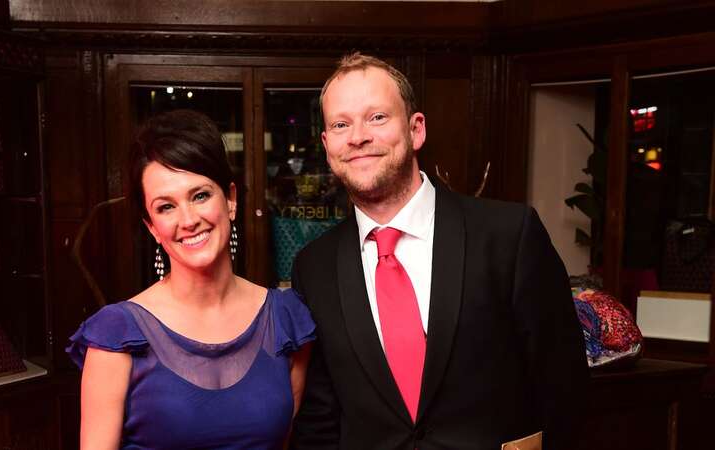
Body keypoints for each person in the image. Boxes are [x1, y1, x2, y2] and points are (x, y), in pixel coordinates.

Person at [290, 53, 588, 450]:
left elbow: (564, 391)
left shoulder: (507, 235)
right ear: (328, 146)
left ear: (416, 129)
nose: (358, 136)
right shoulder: (315, 267)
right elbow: (319, 420)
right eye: (341, 124)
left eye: (377, 117)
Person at [66, 109, 315, 450]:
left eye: (200, 195)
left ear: (230, 199)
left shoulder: (286, 320)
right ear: (151, 226)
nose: (188, 220)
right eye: (165, 207)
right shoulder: (117, 335)